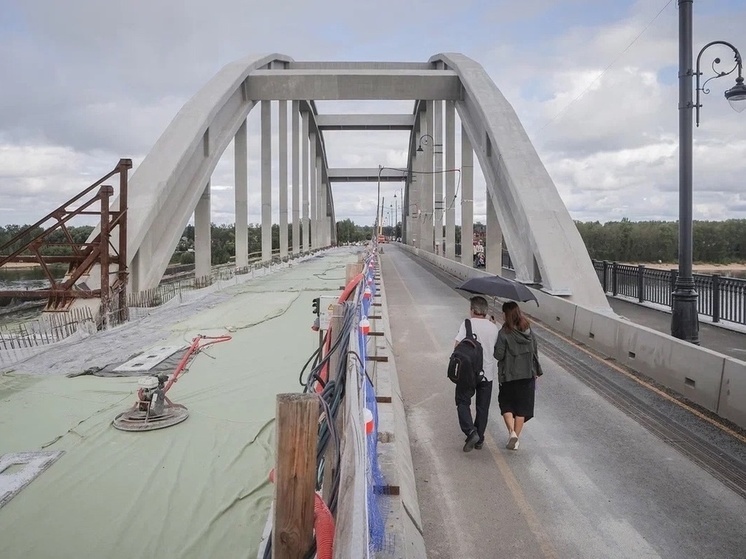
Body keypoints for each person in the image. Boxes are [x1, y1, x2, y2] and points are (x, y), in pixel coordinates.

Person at [494, 301, 541, 451]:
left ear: (505, 314)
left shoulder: (504, 333)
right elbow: (534, 350)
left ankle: (511, 432)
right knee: (522, 408)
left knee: (506, 404)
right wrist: (535, 370)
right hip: (527, 375)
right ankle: (516, 438)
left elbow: (498, 355)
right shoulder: (528, 330)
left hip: (509, 376)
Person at [453, 296, 499, 452]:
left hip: (468, 373)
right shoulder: (494, 327)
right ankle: (479, 438)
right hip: (487, 374)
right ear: (485, 311)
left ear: (472, 310)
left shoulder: (467, 324)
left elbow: (457, 346)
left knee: (462, 401)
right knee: (482, 407)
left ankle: (471, 431)